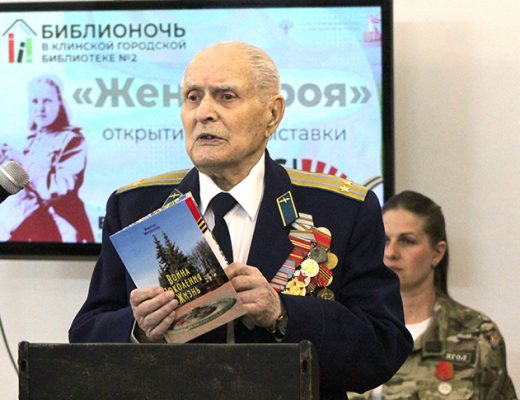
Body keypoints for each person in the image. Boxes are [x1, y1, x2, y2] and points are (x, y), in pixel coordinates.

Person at [69, 41, 412, 399]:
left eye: (226, 96)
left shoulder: (342, 209)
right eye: (193, 97)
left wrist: (283, 313)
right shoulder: (135, 206)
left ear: (272, 114)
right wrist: (138, 331)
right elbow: (84, 336)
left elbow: (383, 347)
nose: (204, 113)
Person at [348, 190, 517, 399]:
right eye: (383, 240)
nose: (390, 252)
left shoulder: (477, 335)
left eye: (407, 241)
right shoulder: (351, 326)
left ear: (437, 253)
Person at [0, 75, 94, 243]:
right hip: (23, 231)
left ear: (59, 103)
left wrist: (21, 160)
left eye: (47, 101)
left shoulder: (73, 140)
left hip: (63, 233)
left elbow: (55, 189)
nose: (40, 108)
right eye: (35, 101)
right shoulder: (33, 140)